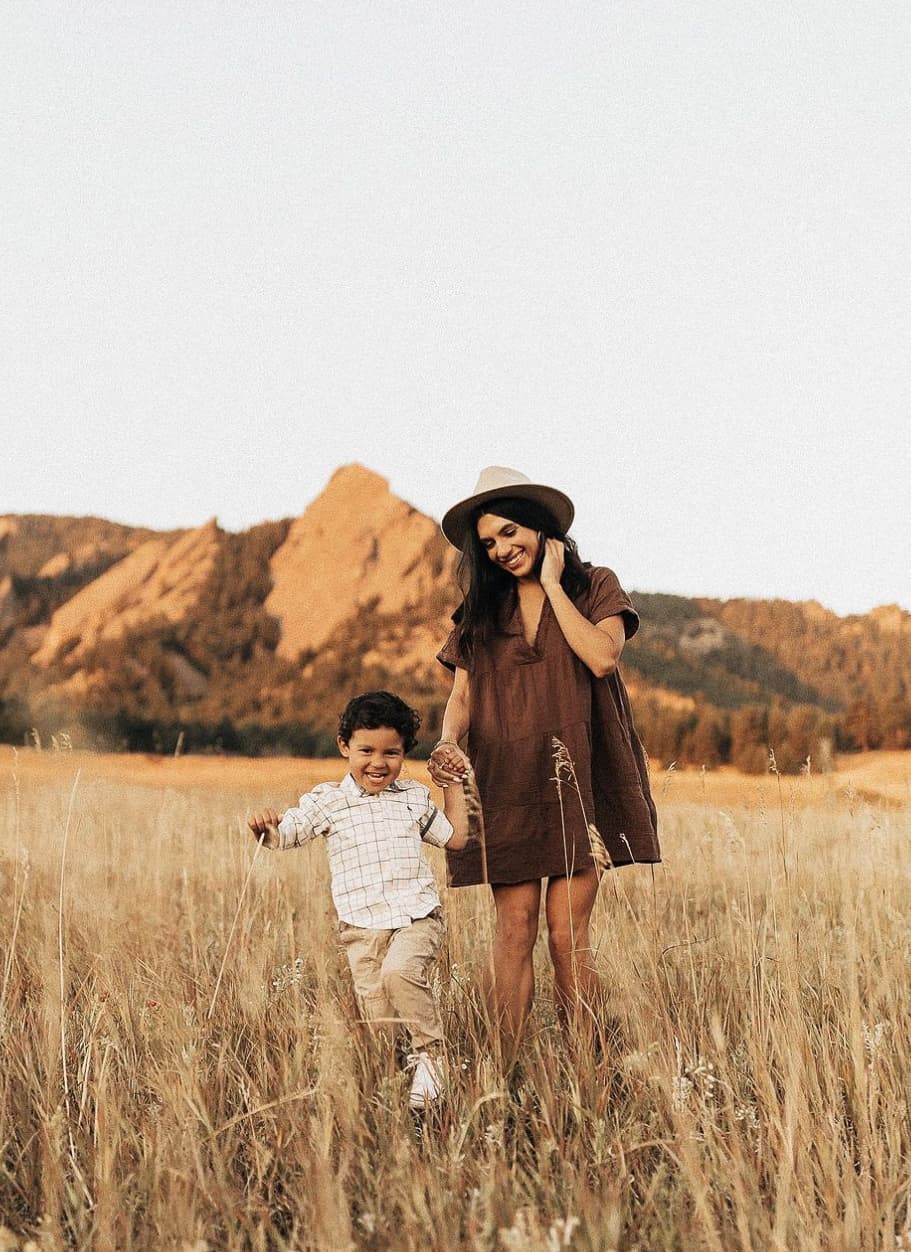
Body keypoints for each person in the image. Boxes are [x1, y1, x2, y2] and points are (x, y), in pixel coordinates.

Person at [428, 466, 659, 1061]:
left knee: (568, 934)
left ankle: (588, 1072)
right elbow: (463, 695)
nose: (502, 550)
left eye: (510, 533)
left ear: (541, 527)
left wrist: (555, 586)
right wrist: (450, 740)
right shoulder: (480, 611)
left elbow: (603, 658)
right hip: (506, 780)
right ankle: (503, 1070)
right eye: (489, 544)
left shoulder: (595, 586)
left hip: (577, 779)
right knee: (512, 930)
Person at [248, 690, 470, 1111]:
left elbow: (455, 837)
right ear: (344, 746)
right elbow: (284, 836)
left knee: (401, 973)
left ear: (405, 753)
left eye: (392, 752)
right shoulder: (327, 801)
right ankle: (401, 1104)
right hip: (360, 930)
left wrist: (454, 785)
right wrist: (262, 826)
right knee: (379, 1025)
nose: (378, 763)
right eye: (366, 750)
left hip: (414, 917)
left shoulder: (413, 798)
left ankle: (433, 1056)